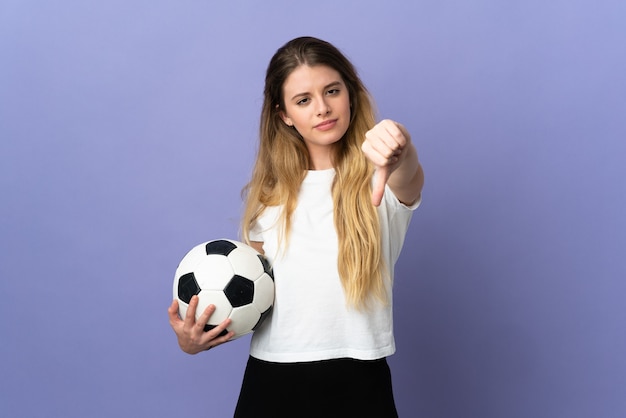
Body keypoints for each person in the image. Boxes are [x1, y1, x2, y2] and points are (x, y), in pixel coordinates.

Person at [168, 36, 424, 417]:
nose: (322, 108)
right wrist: (195, 340)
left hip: (359, 381)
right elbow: (248, 296)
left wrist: (398, 143)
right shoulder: (267, 197)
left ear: (350, 94)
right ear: (284, 114)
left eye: (332, 91)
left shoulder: (380, 179)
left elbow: (409, 173)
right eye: (304, 100)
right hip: (271, 381)